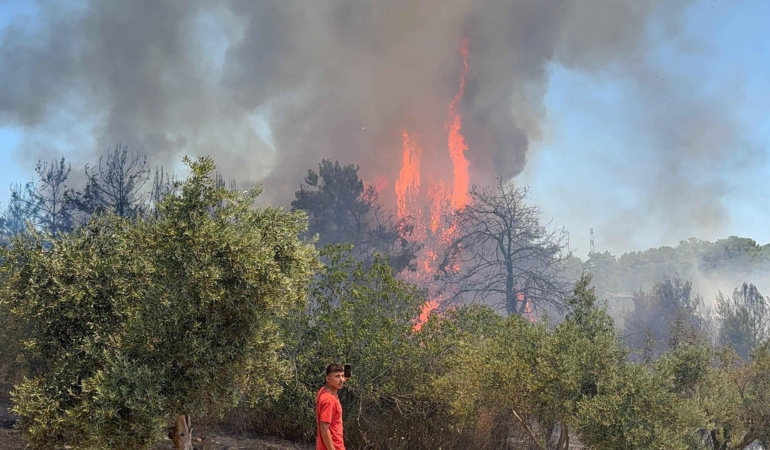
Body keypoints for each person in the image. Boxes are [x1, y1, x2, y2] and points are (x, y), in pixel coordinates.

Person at [316, 363, 347, 450]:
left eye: (342, 376)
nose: (341, 379)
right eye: (337, 376)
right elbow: (324, 428)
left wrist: (344, 376)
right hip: (334, 447)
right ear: (328, 378)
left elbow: (340, 381)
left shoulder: (323, 391)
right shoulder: (329, 400)